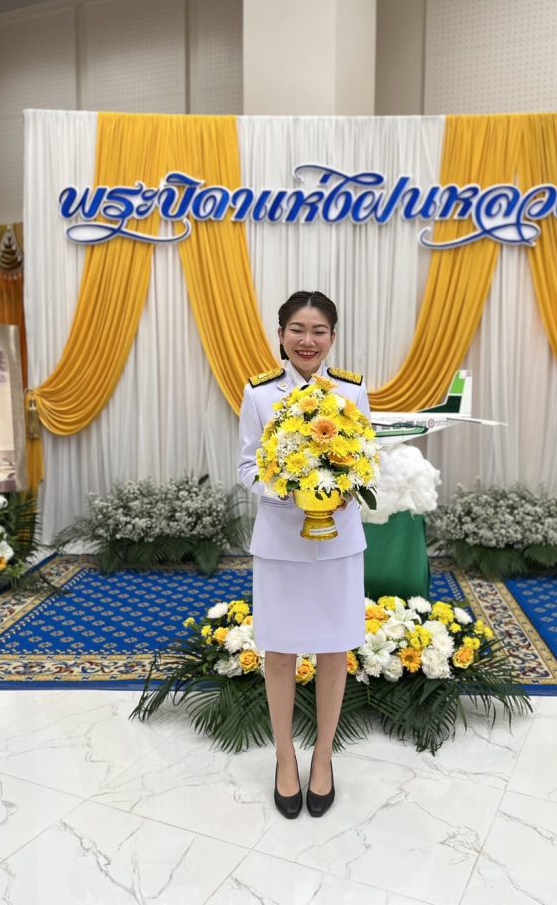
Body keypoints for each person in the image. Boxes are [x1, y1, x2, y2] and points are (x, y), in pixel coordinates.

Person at [238, 291, 369, 819]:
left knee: (335, 650)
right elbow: (246, 466)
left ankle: (324, 757)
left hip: (338, 543)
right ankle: (285, 757)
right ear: (281, 335)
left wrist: (344, 488)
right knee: (280, 653)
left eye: (318, 331)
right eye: (297, 329)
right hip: (281, 542)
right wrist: (288, 489)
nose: (307, 340)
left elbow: (366, 459)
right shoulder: (260, 394)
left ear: (332, 337)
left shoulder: (352, 391)